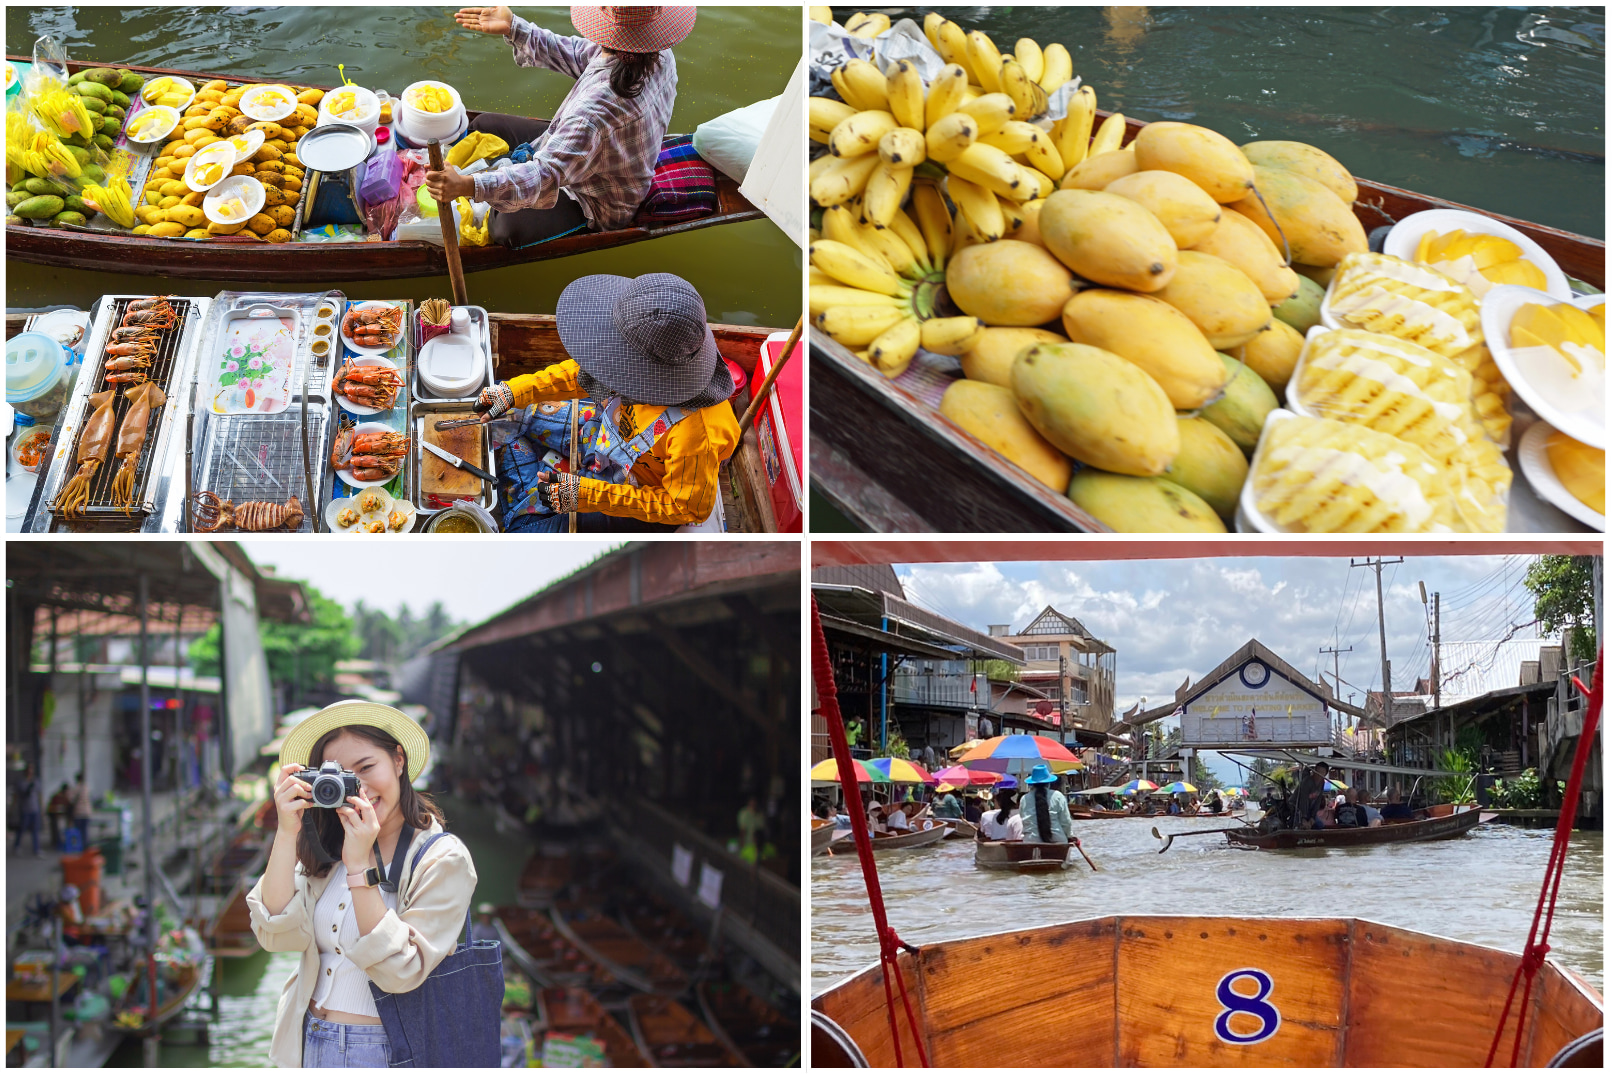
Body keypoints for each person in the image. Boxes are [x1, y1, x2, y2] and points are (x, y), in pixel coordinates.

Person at [247, 701, 477, 1068]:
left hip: (385, 1052)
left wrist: (360, 866)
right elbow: (275, 932)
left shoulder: (441, 859)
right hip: (305, 1039)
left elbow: (401, 971)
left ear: (398, 761)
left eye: (367, 768)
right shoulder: (329, 849)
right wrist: (287, 831)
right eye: (341, 776)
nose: (359, 789)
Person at [474, 272, 739, 531]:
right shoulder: (647, 357)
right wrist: (513, 391)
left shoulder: (697, 434)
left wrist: (587, 495)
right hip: (606, 434)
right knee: (509, 415)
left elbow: (687, 508)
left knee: (526, 532)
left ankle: (531, 501)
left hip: (635, 491)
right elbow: (582, 372)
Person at [434, 6, 691, 249]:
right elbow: (579, 53)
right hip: (592, 151)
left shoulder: (595, 113)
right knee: (485, 126)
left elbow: (544, 176)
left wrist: (469, 186)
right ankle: (492, 176)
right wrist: (515, 28)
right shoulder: (660, 56)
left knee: (504, 226)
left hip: (596, 198)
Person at [1018, 765, 1075, 845]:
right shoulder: (1058, 796)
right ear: (1048, 783)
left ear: (1032, 784)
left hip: (1031, 841)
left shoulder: (1024, 799)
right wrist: (1069, 836)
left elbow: (1023, 820)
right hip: (1058, 841)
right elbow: (1066, 822)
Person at [12, 765, 42, 857]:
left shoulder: (35, 781)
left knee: (35, 830)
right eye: (29, 770)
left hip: (35, 809)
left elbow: (39, 794)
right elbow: (21, 794)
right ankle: (17, 846)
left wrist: (41, 807)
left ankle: (36, 849)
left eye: (31, 770)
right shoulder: (21, 782)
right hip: (25, 809)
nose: (30, 772)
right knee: (22, 829)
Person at [1291, 762, 1331, 829]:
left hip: (1309, 811)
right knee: (1299, 826)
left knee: (1320, 825)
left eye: (1322, 772)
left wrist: (1312, 817)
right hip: (1296, 809)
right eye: (1317, 771)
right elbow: (1303, 800)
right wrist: (1303, 818)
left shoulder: (1322, 783)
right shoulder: (1307, 782)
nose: (1318, 774)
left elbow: (1318, 802)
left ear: (1325, 774)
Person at [737, 797, 765, 862]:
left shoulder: (760, 815)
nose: (753, 805)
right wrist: (742, 843)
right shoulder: (744, 813)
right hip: (747, 843)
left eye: (754, 803)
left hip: (757, 845)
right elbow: (742, 830)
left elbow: (761, 831)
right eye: (751, 803)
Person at [71, 773, 92, 850]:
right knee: (85, 831)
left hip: (79, 813)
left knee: (79, 832)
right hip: (87, 812)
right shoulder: (86, 787)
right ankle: (86, 848)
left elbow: (71, 799)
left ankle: (79, 847)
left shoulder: (76, 788)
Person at [47, 782, 71, 850]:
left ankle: (58, 843)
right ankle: (56, 844)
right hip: (55, 816)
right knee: (56, 831)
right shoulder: (58, 797)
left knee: (59, 831)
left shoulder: (65, 797)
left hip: (60, 816)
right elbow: (54, 808)